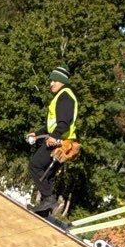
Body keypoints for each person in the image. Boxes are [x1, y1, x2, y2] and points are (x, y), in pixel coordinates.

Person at [27, 66, 78, 217]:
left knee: (35, 165)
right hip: (61, 139)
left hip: (60, 141)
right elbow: (52, 124)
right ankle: (43, 210)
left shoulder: (65, 96)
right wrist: (37, 134)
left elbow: (64, 122)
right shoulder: (62, 96)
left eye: (54, 80)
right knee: (47, 173)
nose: (51, 84)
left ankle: (48, 199)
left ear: (62, 81)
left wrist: (54, 136)